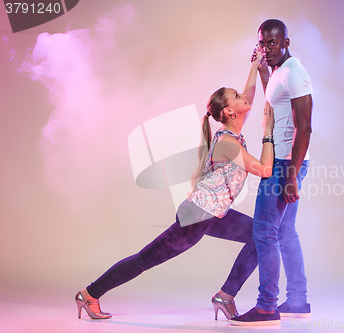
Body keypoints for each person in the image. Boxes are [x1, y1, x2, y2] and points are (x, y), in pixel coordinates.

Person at [75, 49, 275, 321]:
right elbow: (264, 169)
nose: (245, 97)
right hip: (197, 215)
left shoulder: (231, 131)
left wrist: (254, 66)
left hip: (213, 213)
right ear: (229, 111)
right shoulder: (228, 142)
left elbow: (248, 97)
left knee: (258, 235)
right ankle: (89, 294)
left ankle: (225, 296)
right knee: (145, 259)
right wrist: (267, 132)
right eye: (237, 97)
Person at [230, 19, 313, 326]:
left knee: (264, 232)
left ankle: (266, 306)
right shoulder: (279, 72)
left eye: (272, 43)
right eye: (262, 43)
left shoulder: (296, 75)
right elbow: (274, 100)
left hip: (284, 165)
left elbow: (305, 127)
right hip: (284, 162)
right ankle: (298, 301)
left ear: (286, 43)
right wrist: (261, 69)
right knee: (284, 232)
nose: (267, 49)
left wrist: (291, 176)